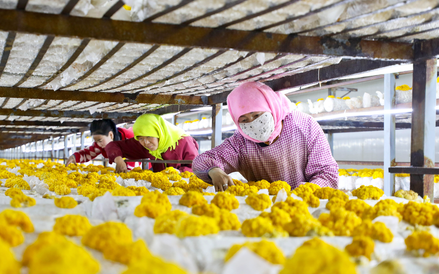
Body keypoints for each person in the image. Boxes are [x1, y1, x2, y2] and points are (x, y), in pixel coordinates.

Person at [192, 82, 338, 192]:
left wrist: (299, 195)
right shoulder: (240, 142)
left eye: (257, 115)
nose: (253, 123)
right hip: (262, 209)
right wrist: (213, 170)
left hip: (306, 206)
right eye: (244, 120)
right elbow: (201, 161)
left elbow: (327, 173)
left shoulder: (305, 126)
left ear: (271, 107)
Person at [105, 113, 199, 173]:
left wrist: (177, 173)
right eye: (141, 138)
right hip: (159, 190)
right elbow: (112, 146)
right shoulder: (143, 145)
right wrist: (118, 160)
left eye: (149, 136)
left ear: (159, 132)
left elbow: (197, 168)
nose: (146, 142)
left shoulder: (184, 141)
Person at [65, 119, 134, 166]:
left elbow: (135, 161)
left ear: (111, 135)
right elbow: (87, 153)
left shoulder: (129, 140)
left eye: (100, 141)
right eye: (96, 141)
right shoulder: (100, 145)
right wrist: (74, 157)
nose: (98, 144)